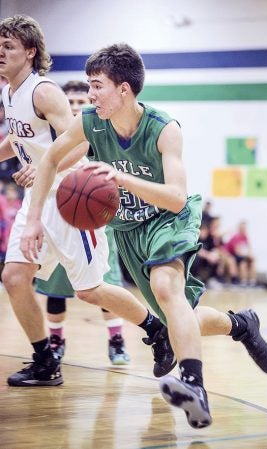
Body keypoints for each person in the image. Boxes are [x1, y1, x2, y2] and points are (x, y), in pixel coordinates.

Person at [21, 41, 267, 429]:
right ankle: (241, 324)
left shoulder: (164, 129)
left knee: (164, 285)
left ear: (123, 89)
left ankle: (193, 382)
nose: (89, 94)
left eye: (96, 85)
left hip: (169, 219)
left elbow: (175, 199)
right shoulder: (90, 122)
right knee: (179, 317)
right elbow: (53, 159)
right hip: (128, 227)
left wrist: (120, 178)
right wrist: (35, 217)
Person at [0, 15, 175, 388]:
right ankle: (45, 361)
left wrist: (44, 166)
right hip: (38, 195)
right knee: (15, 277)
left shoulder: (42, 91)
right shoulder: (8, 92)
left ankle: (156, 329)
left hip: (69, 195)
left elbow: (79, 143)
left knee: (89, 289)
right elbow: (17, 139)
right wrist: (29, 164)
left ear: (30, 52)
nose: (0, 53)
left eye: (8, 47)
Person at [34, 80, 130, 365]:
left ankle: (116, 338)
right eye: (70, 102)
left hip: (95, 220)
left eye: (80, 102)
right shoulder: (53, 144)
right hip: (58, 216)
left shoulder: (104, 134)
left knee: (102, 284)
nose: (76, 107)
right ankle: (56, 339)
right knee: (54, 288)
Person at [224, 220, 257, 287]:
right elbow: (237, 252)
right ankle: (243, 282)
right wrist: (248, 255)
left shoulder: (245, 236)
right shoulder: (236, 237)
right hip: (232, 255)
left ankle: (252, 282)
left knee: (252, 261)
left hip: (241, 256)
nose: (244, 229)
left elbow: (249, 248)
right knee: (243, 263)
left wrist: (250, 255)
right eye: (242, 228)